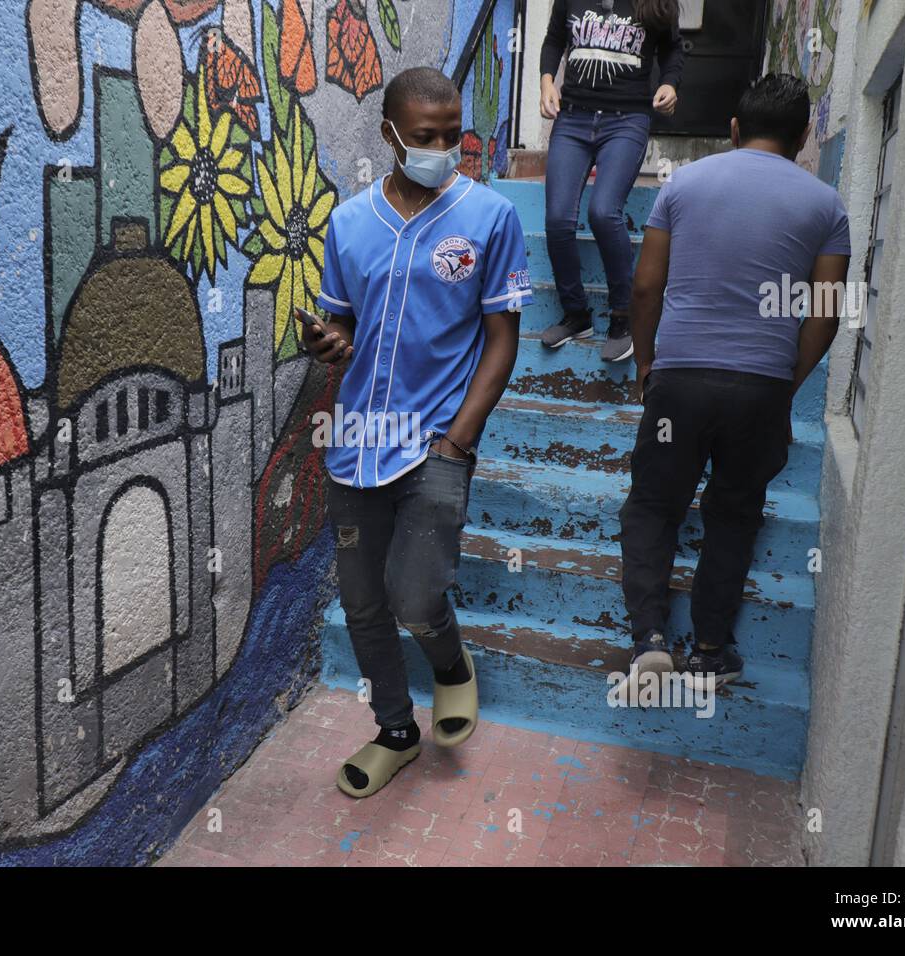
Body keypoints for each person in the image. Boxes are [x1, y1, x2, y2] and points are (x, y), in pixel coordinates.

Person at [304, 67, 534, 798]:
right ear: (391, 135)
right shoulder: (348, 224)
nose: (444, 148)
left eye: (452, 133)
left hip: (437, 442)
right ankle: (397, 731)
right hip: (353, 445)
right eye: (426, 137)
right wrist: (328, 341)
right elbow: (339, 321)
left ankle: (451, 665)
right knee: (364, 604)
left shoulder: (490, 218)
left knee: (414, 595)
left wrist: (458, 442)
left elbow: (502, 339)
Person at [617, 72, 851, 699]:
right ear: (804, 137)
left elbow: (645, 287)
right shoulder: (826, 206)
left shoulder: (684, 185)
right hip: (760, 388)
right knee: (734, 513)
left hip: (680, 379)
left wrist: (647, 366)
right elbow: (825, 313)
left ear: (733, 129)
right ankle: (710, 652)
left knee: (653, 504)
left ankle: (649, 640)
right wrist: (785, 381)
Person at [538, 0, 684, 361]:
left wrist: (670, 84)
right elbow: (554, 38)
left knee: (603, 212)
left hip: (626, 120)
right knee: (558, 219)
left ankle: (622, 316)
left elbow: (672, 47)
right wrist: (546, 83)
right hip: (572, 118)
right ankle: (577, 315)